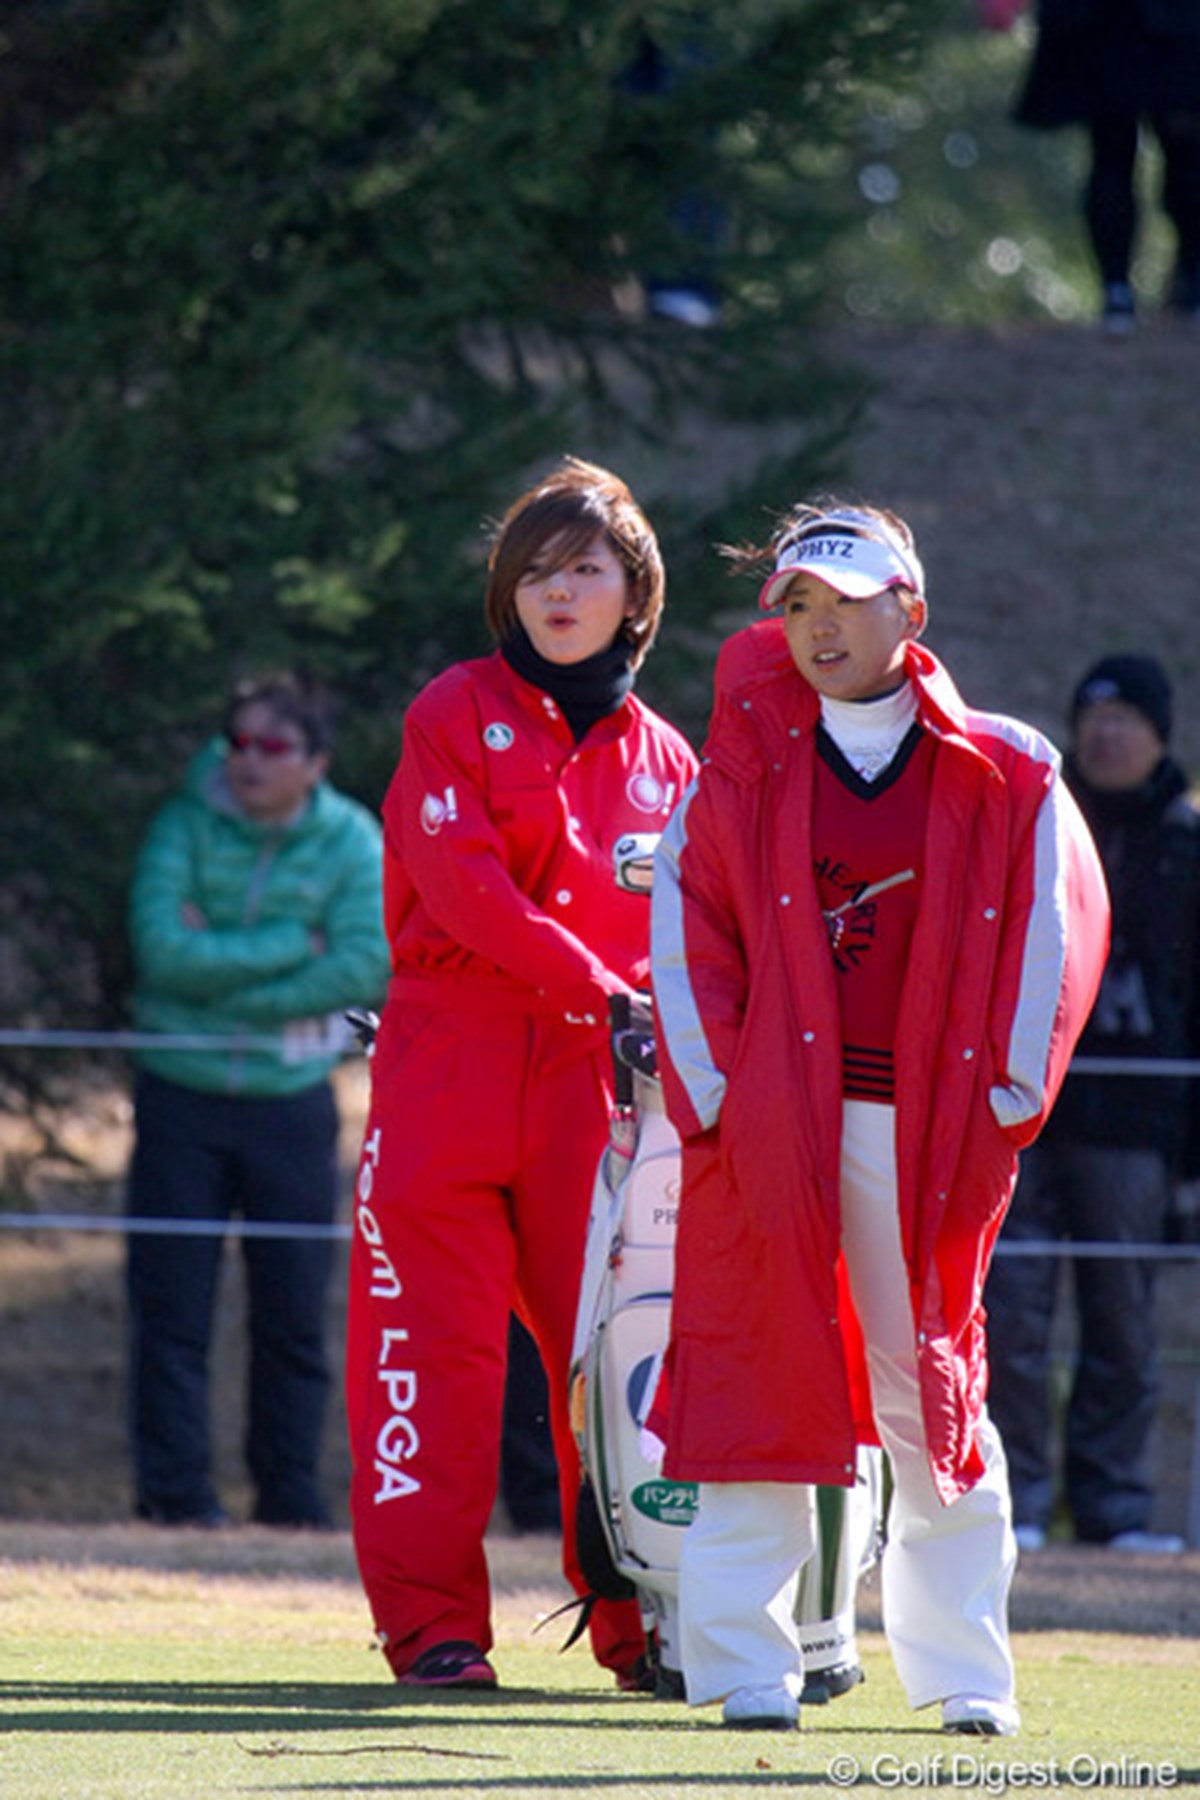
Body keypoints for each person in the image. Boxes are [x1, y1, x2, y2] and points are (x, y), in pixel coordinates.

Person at [649, 500, 1110, 1733]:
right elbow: (689, 945)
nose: (819, 626)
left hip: (929, 1133)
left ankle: (965, 1677)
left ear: (911, 610)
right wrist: (719, 1107)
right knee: (760, 1384)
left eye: (847, 601)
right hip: (774, 1132)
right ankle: (749, 1671)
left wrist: (1008, 1099)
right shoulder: (740, 766)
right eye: (798, 604)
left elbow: (1057, 932)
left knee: (932, 1392)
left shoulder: (1009, 767)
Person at [344, 458, 699, 1690]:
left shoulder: (671, 763)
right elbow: (465, 892)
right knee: (426, 1361)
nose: (560, 592)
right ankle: (433, 1628)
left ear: (634, 593)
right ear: (508, 590)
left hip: (596, 1096)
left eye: (587, 569)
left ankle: (642, 1621)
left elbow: (703, 934)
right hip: (449, 1062)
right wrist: (603, 991)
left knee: (616, 1369)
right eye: (538, 570)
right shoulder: (452, 709)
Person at [126, 671, 390, 1529]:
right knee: (171, 1313)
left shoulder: (353, 841)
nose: (248, 763)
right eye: (238, 743)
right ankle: (175, 1500)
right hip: (178, 1097)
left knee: (293, 1316)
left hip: (292, 1102)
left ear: (315, 762)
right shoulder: (182, 821)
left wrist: (223, 966)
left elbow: (362, 966)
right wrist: (289, 948)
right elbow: (162, 953)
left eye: (272, 747)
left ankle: (290, 1502)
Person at [986, 655, 1199, 1555]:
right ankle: (1017, 1502)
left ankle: (1113, 1508)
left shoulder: (1188, 849)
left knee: (1121, 1319)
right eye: (1093, 718)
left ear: (1160, 733)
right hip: (1030, 1112)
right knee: (1014, 1314)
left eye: (1127, 720)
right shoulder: (1037, 826)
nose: (1107, 735)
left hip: (1139, 1126)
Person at [982, 0, 1200, 331]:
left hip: (1147, 25)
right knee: (1126, 151)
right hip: (1116, 25)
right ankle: (1122, 291)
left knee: (1171, 154)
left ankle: (1155, 290)